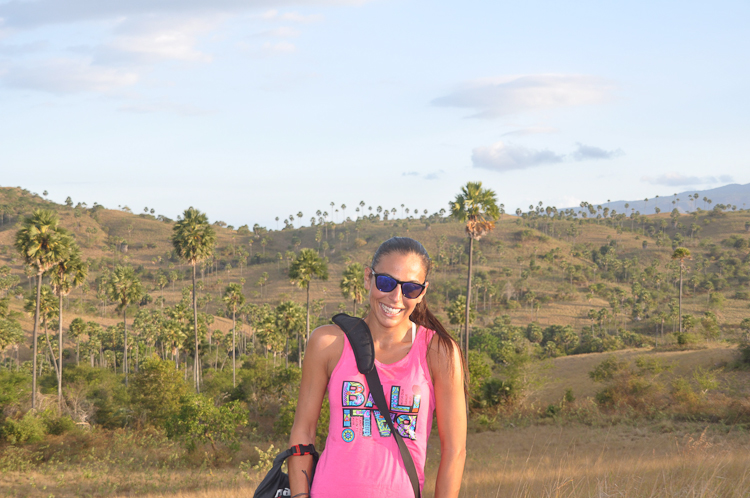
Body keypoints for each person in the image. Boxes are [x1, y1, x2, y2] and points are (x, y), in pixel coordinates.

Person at [288, 237, 466, 498]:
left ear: (422, 293)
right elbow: (303, 431)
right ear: (367, 278)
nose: (395, 297)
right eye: (385, 282)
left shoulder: (438, 352)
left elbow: (455, 451)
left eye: (410, 289)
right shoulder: (328, 343)